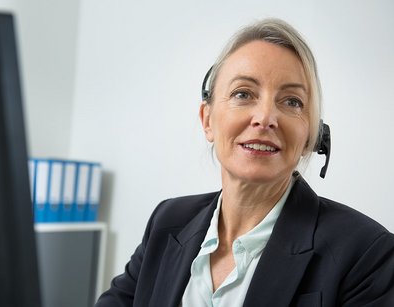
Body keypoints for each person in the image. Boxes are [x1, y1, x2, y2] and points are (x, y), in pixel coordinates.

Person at [95, 18, 394, 307]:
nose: (265, 117)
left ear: (309, 136)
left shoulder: (367, 253)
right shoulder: (167, 221)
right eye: (243, 93)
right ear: (207, 120)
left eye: (292, 101)